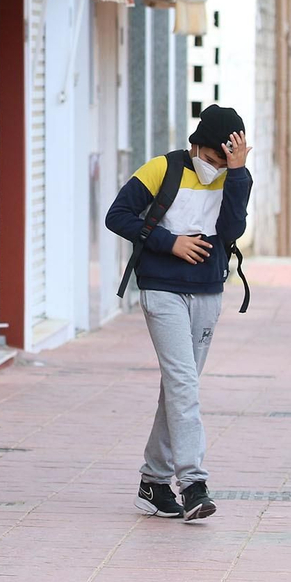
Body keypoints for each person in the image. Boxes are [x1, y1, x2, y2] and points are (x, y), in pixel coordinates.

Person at [104, 105, 253, 523]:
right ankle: (192, 484)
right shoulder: (162, 168)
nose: (216, 167)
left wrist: (237, 173)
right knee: (183, 383)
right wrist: (169, 242)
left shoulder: (233, 176)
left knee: (179, 386)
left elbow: (232, 231)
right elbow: (117, 216)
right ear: (197, 145)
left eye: (226, 160)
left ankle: (153, 482)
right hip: (161, 288)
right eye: (213, 158)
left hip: (208, 290)